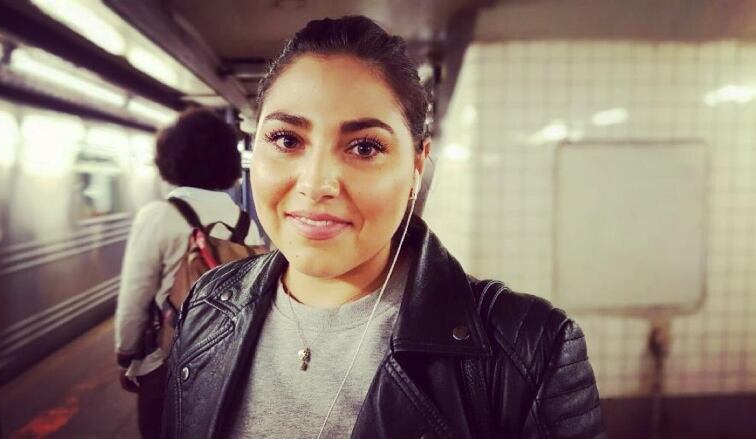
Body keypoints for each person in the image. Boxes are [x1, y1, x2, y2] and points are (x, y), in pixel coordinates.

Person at [161, 16, 605, 439]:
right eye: (286, 139)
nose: (316, 184)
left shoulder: (529, 350)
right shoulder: (210, 303)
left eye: (364, 147)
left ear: (416, 166)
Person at [115, 108, 260, 439]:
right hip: (225, 360)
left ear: (171, 159)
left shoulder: (158, 215)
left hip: (164, 361)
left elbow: (135, 295)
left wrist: (127, 354)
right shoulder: (243, 220)